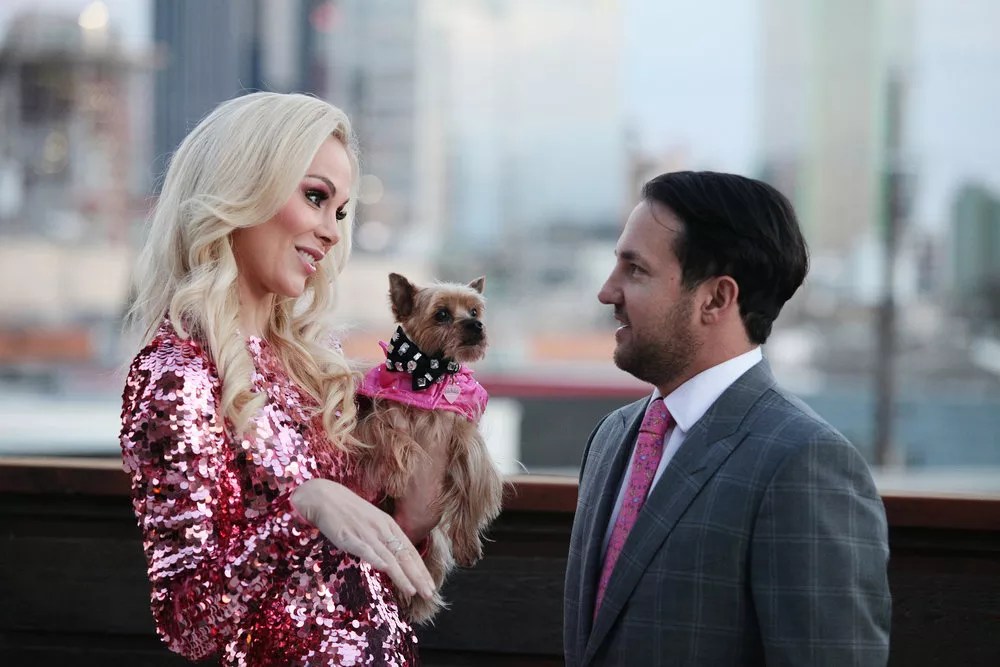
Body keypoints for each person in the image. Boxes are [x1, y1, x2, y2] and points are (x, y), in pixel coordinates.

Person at [120, 92, 444, 666]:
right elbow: (187, 623)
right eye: (316, 197)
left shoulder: (312, 367)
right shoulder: (178, 376)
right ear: (245, 186)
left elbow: (352, 580)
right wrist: (302, 508)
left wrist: (414, 515)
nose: (332, 232)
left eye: (340, 212)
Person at [563, 171, 891, 666]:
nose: (607, 292)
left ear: (716, 298)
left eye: (636, 270)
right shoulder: (612, 438)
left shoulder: (805, 463)